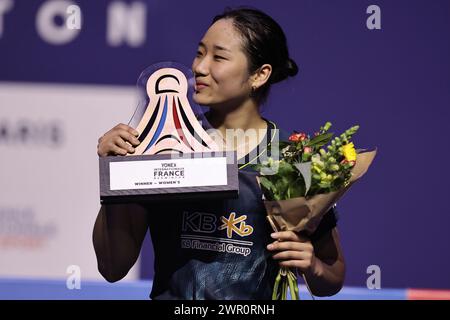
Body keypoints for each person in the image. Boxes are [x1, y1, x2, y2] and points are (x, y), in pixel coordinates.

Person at [93, 7, 345, 299]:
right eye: (199, 53)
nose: (199, 67)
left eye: (219, 57)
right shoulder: (161, 144)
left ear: (260, 75)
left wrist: (311, 265)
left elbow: (332, 276)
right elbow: (113, 268)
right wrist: (116, 175)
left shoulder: (291, 160)